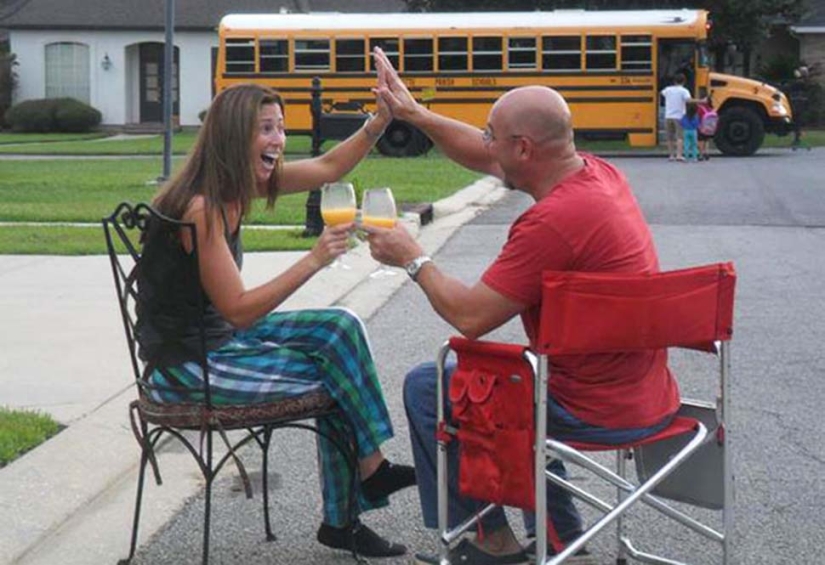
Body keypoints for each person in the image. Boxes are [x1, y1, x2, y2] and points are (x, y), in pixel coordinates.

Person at [364, 47, 680, 565]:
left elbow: (470, 317)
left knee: (433, 384)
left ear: (525, 149)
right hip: (645, 394)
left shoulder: (552, 223)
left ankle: (491, 540)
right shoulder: (598, 176)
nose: (486, 143)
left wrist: (412, 257)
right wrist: (414, 114)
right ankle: (561, 542)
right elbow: (489, 156)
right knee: (524, 379)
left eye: (492, 133)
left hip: (589, 407)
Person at [136, 82, 415, 558]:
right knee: (336, 378)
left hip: (218, 339)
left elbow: (330, 167)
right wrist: (314, 260)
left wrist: (379, 122)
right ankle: (344, 516)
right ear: (231, 135)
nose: (279, 140)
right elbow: (239, 308)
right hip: (185, 367)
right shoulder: (200, 207)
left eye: (281, 128)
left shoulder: (239, 184)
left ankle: (372, 467)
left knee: (340, 328)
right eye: (265, 129)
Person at [660, 73, 692, 161]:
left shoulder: (668, 89)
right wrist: (701, 101)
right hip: (679, 116)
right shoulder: (684, 91)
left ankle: (671, 155)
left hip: (668, 116)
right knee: (679, 137)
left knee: (670, 137)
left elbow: (662, 93)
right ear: (684, 81)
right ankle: (679, 155)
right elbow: (689, 101)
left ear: (674, 81)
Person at [697, 96, 716, 161]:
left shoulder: (701, 108)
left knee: (700, 141)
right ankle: (706, 152)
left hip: (702, 127)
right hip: (709, 128)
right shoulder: (712, 109)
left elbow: (698, 117)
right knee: (706, 140)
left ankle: (701, 154)